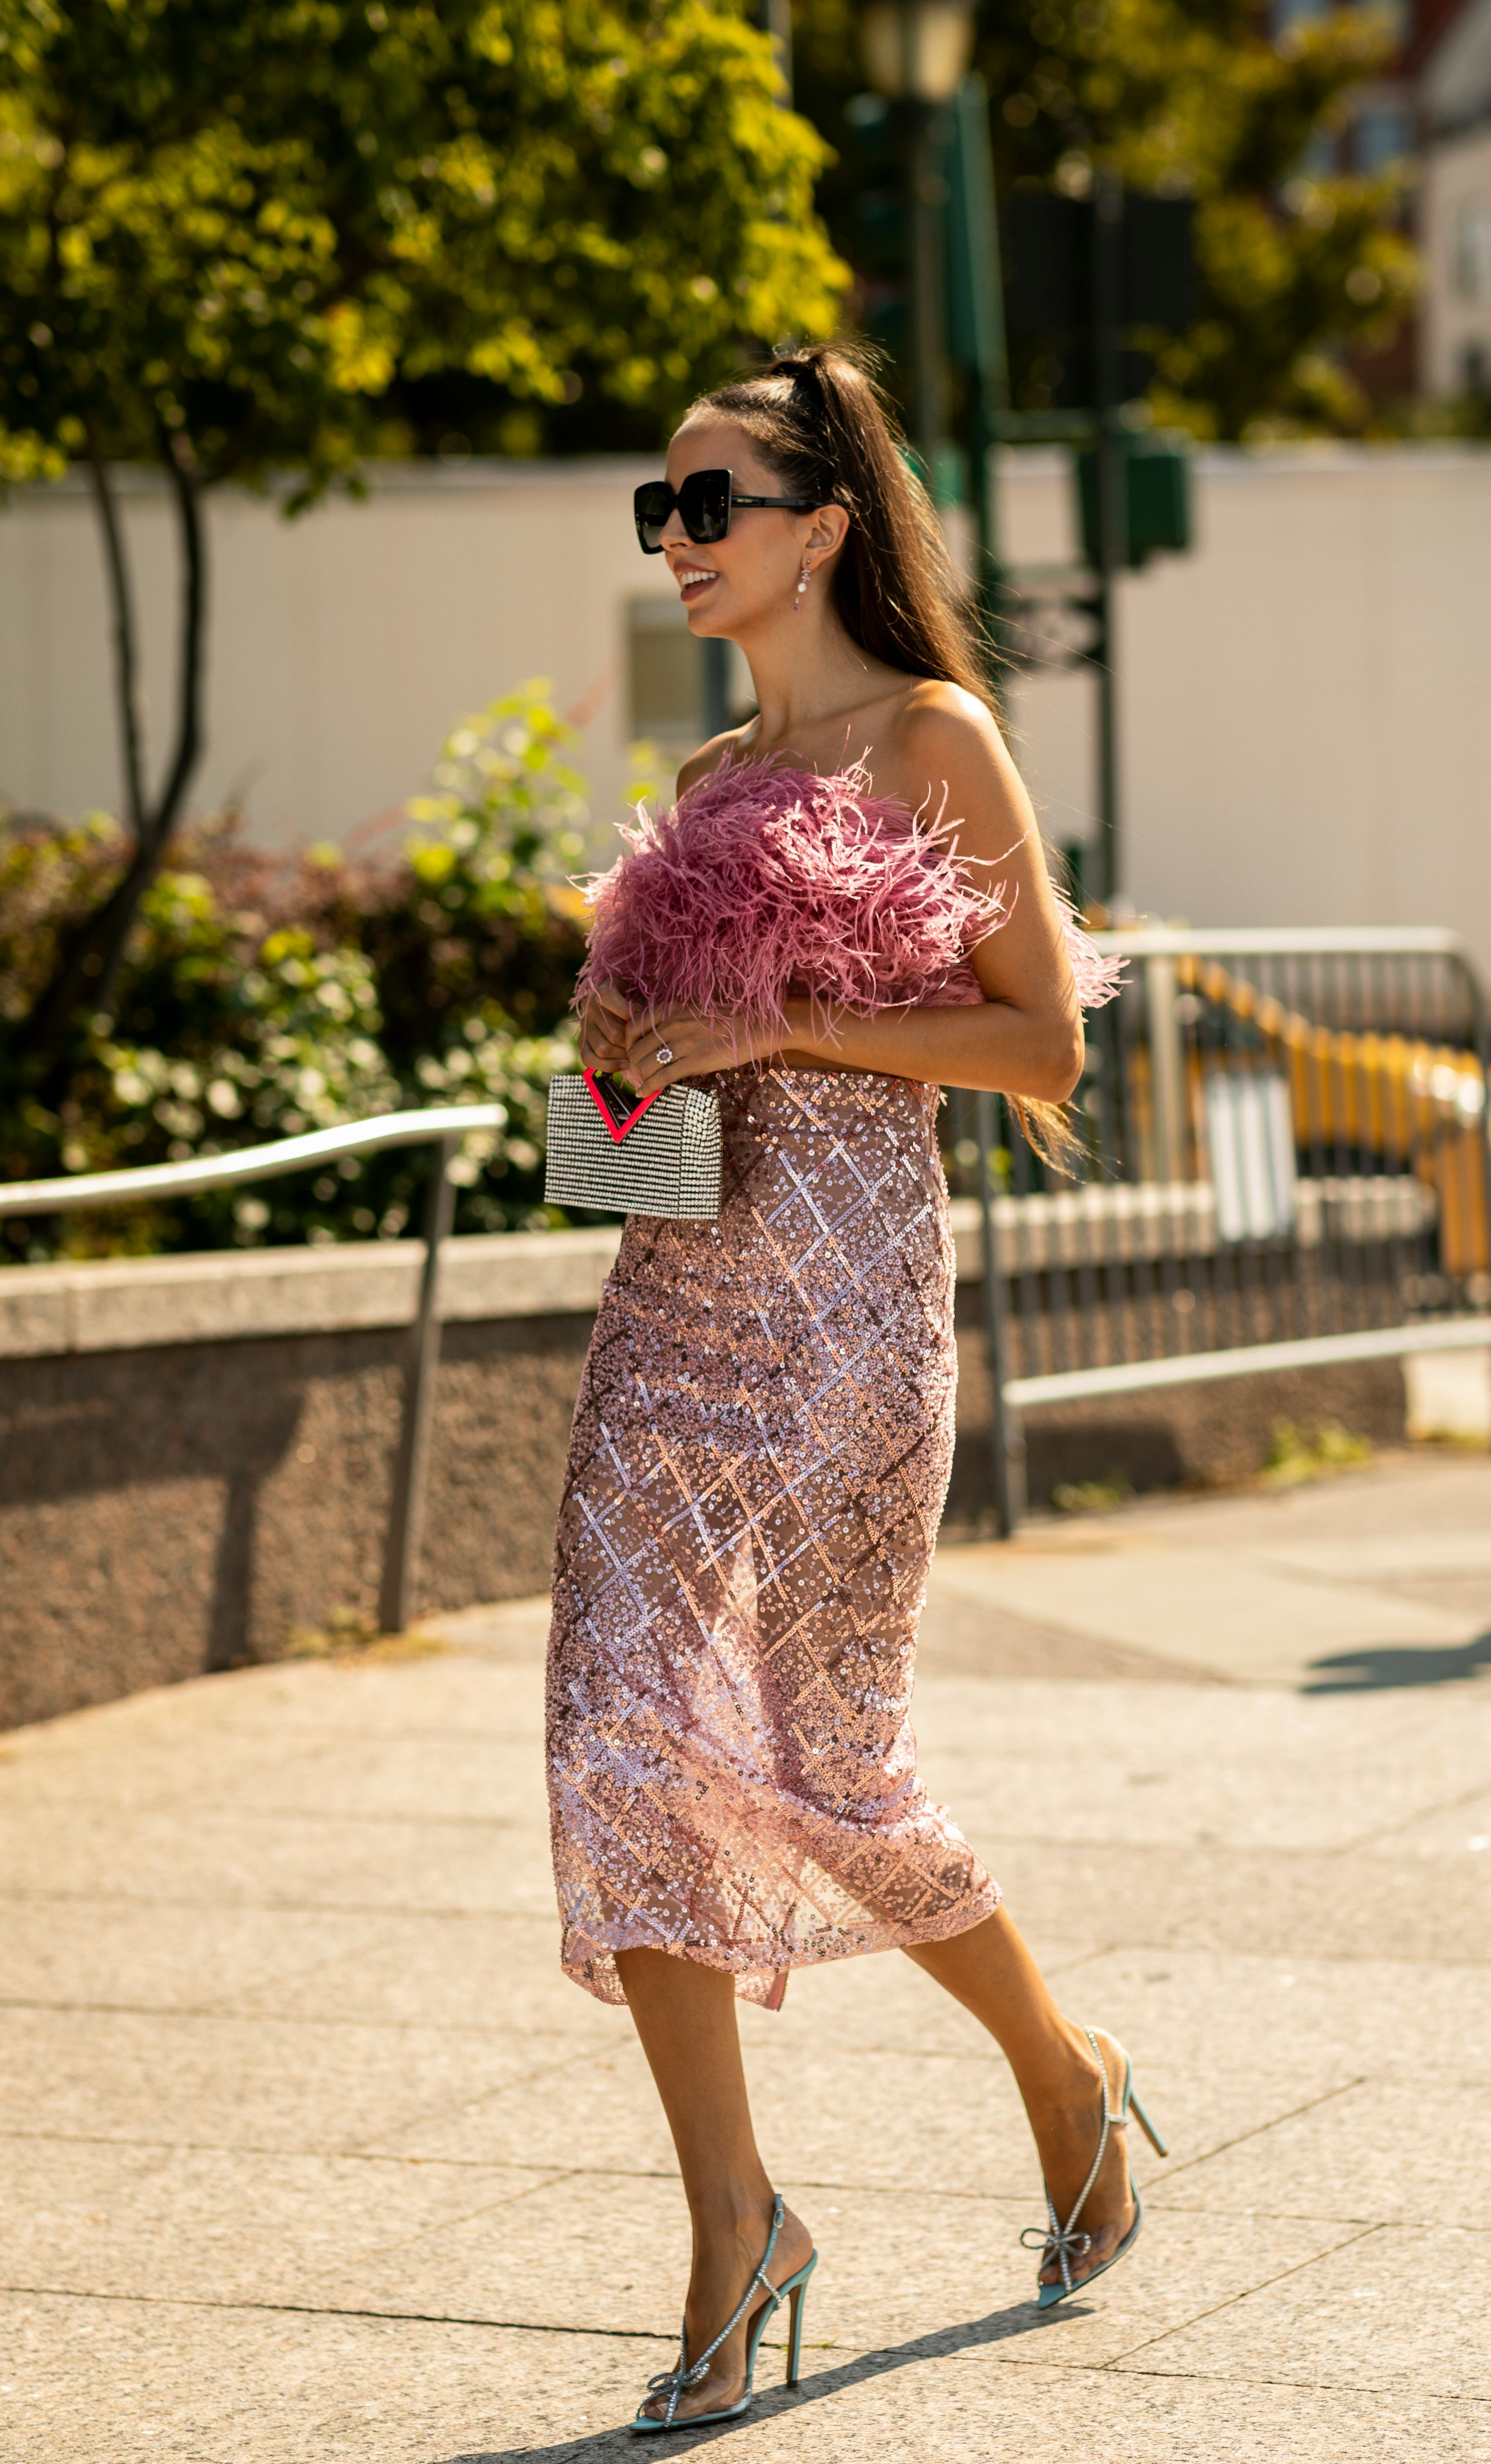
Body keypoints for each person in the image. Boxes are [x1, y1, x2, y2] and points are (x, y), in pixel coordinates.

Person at [548, 343, 1163, 2435]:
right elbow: (644, 1096)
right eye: (660, 510)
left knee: (834, 1765)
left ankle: (1063, 2073)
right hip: (670, 1298)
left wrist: (793, 1015)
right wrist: (619, 1041)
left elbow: (1042, 1049)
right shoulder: (709, 783)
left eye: (706, 503)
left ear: (821, 525)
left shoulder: (935, 736)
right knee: (615, 1725)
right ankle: (738, 2228)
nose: (677, 541)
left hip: (845, 1310)